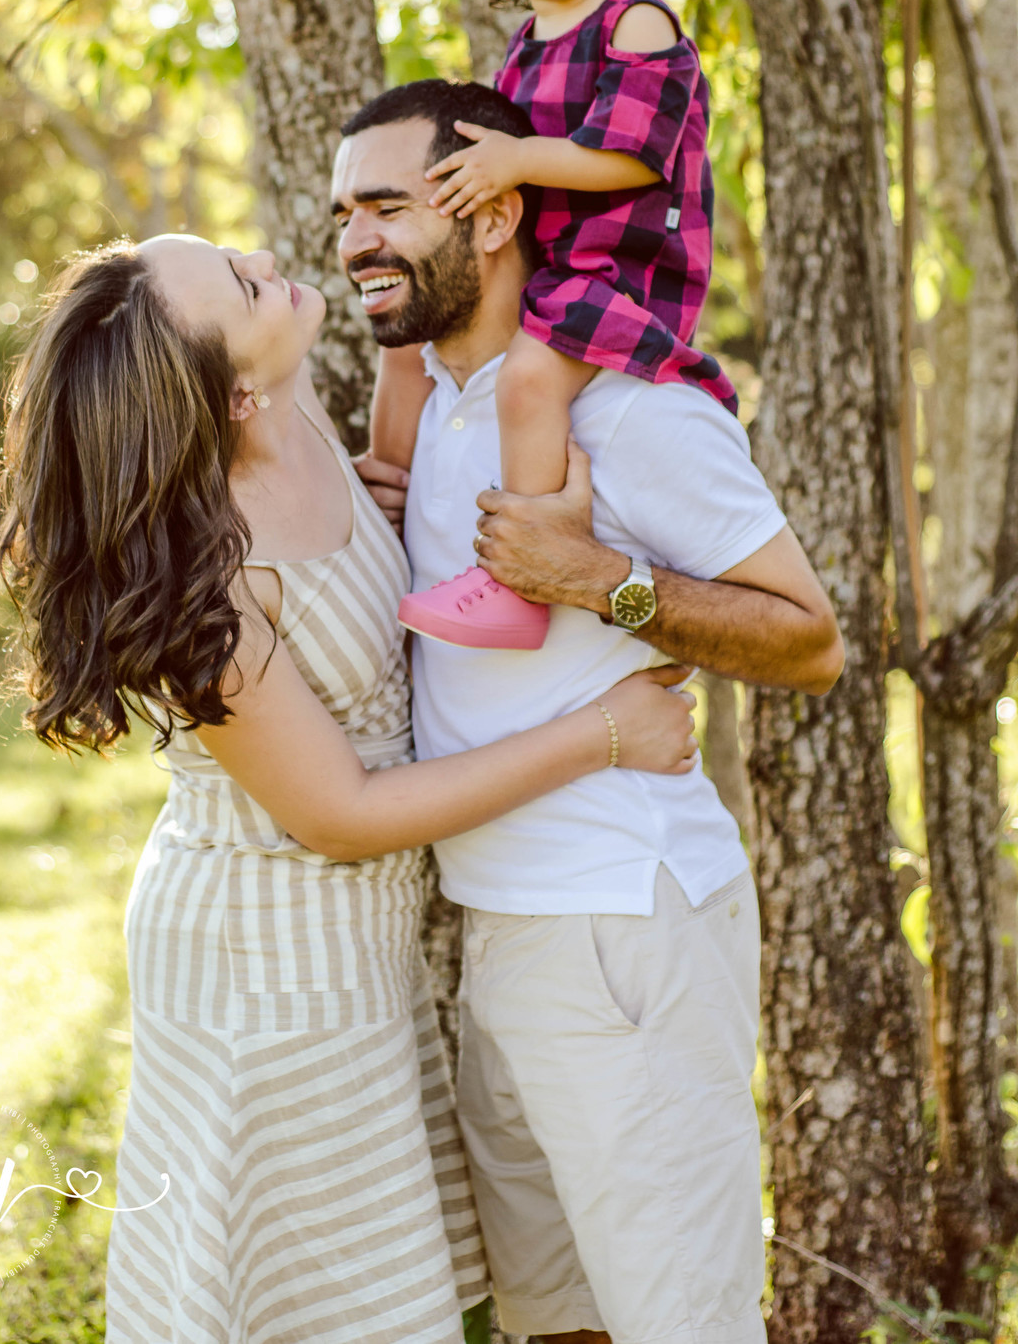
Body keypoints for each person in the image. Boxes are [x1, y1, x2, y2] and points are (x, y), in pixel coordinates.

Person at [0, 235, 704, 1344]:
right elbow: (342, 817)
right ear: (226, 392)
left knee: (385, 1280)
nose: (266, 255)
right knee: (323, 1303)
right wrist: (605, 732)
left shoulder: (294, 416)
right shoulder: (207, 583)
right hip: (265, 966)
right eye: (239, 281)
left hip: (361, 946)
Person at [333, 80, 844, 1344]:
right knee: (551, 1320)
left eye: (391, 206)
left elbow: (811, 640)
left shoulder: (626, 410)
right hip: (499, 931)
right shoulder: (439, 410)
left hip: (626, 930)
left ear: (495, 213)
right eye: (346, 213)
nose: (355, 243)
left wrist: (601, 584)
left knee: (679, 1323)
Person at [378, 0, 737, 652]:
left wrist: (515, 161)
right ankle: (390, 507)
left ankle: (520, 580)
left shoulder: (636, 25)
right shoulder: (523, 47)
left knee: (533, 379)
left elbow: (630, 156)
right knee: (415, 351)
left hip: (625, 270)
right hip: (557, 268)